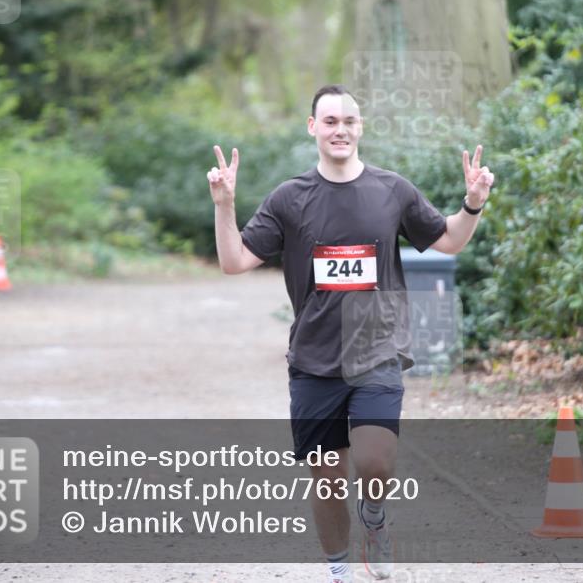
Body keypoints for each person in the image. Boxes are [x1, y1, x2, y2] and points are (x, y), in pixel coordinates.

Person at [207, 85, 493, 582]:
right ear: (312, 127)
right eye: (331, 121)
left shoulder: (392, 190)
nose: (341, 129)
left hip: (377, 350)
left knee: (375, 464)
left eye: (350, 121)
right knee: (327, 479)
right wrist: (224, 203)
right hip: (314, 361)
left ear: (361, 128)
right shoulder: (289, 198)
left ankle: (376, 520)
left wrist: (472, 205)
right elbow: (234, 262)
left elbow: (447, 241)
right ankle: (339, 569)